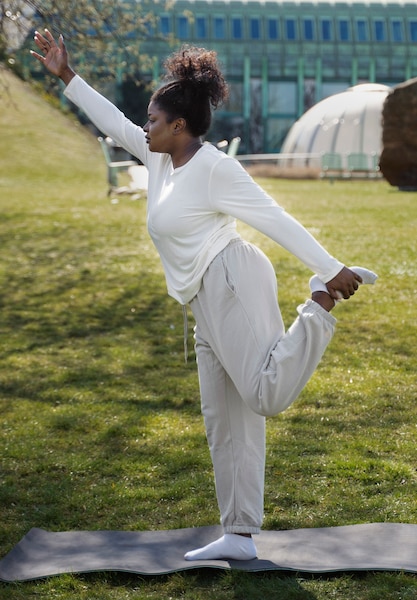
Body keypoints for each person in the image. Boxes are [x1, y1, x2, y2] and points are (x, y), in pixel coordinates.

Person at [31, 30, 377, 561]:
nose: (144, 127)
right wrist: (67, 77)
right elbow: (114, 123)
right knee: (225, 422)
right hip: (201, 298)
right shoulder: (160, 162)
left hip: (233, 280)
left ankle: (319, 307)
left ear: (179, 125)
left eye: (152, 120)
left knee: (264, 397)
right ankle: (238, 536)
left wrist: (331, 271)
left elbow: (273, 218)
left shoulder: (215, 167)